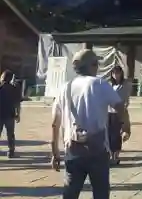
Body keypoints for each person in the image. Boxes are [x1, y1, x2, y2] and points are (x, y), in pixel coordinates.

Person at [51, 49, 130, 199]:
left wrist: (55, 152)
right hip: (97, 149)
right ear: (93, 66)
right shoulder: (99, 84)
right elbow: (120, 107)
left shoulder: (64, 88)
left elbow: (55, 123)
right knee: (100, 192)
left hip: (73, 149)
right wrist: (126, 127)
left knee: (70, 193)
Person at [108, 66, 132, 165]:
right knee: (109, 135)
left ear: (121, 73)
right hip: (109, 112)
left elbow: (126, 97)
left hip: (119, 112)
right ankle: (110, 155)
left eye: (117, 73)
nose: (116, 75)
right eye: (114, 73)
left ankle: (116, 155)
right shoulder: (109, 84)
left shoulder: (125, 84)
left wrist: (124, 105)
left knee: (117, 135)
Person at [0, 70, 21, 158]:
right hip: (10, 115)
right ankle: (11, 151)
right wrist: (18, 114)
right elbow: (17, 103)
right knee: (10, 134)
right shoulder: (14, 89)